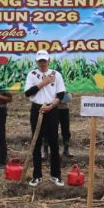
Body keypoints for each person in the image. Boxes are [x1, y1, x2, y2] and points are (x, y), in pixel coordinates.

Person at [24, 50, 66, 187]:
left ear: (49, 60)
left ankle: (56, 175)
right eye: (40, 61)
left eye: (44, 60)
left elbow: (61, 94)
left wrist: (51, 106)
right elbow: (28, 93)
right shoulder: (32, 75)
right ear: (37, 61)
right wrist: (44, 82)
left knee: (54, 142)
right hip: (37, 110)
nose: (42, 63)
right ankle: (37, 175)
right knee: (36, 142)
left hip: (51, 109)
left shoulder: (56, 74)